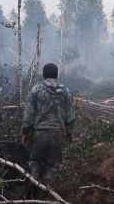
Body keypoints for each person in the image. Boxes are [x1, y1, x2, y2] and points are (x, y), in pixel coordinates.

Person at [22, 63, 75, 192]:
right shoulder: (65, 92)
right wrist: (70, 133)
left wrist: (25, 132)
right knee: (54, 165)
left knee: (35, 161)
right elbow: (70, 115)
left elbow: (29, 114)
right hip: (57, 133)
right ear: (56, 74)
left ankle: (33, 188)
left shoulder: (36, 90)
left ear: (44, 74)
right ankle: (46, 190)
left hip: (39, 133)